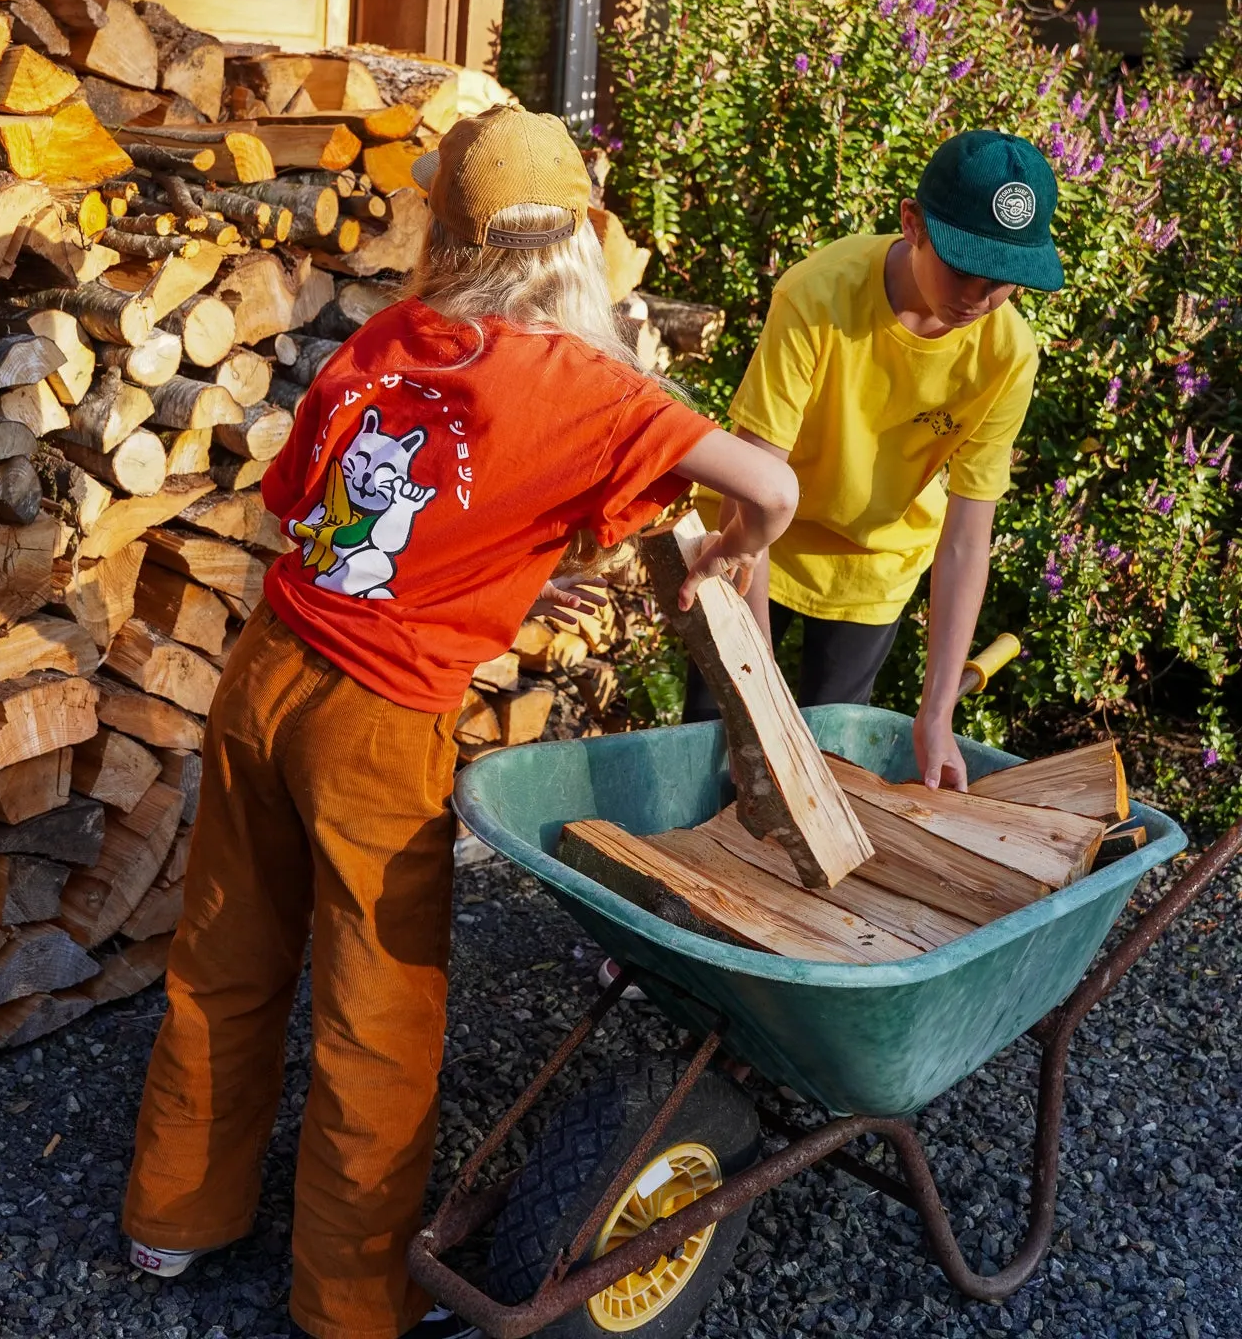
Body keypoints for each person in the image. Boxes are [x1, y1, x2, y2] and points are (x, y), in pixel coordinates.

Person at [121, 106, 798, 1339]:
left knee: (225, 956)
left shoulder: (390, 334)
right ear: (588, 239)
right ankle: (348, 1304)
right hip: (373, 728)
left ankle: (173, 1219)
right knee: (377, 1016)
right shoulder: (591, 388)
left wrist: (504, 570)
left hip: (263, 672)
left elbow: (326, 518)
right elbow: (772, 481)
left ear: (441, 233)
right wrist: (726, 551)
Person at [684, 130, 1062, 792]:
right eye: (963, 266)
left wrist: (936, 712)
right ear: (912, 223)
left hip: (873, 566)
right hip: (750, 538)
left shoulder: (1006, 354)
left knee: (821, 769)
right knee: (723, 745)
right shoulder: (817, 298)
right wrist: (757, 675)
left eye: (1004, 281)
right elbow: (752, 482)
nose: (980, 295)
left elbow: (968, 539)